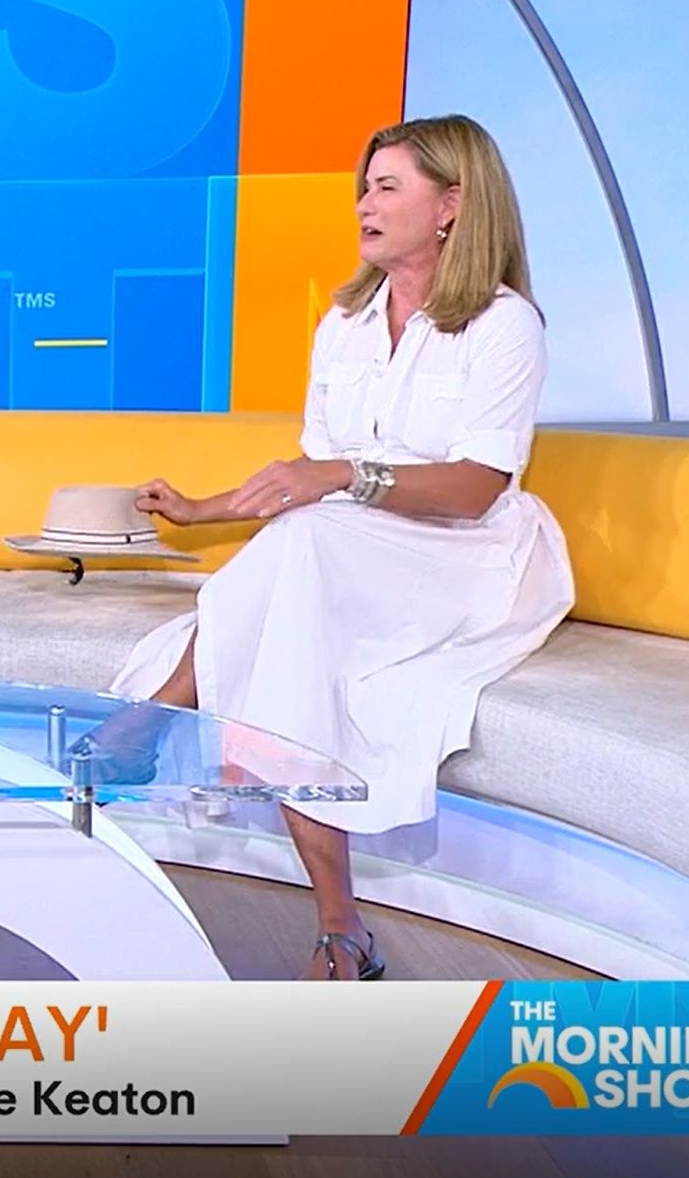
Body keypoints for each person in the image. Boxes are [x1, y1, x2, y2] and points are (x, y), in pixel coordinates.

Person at [109, 115, 574, 980]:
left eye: (387, 187)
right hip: (342, 545)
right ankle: (341, 925)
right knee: (303, 594)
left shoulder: (505, 326)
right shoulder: (346, 321)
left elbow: (475, 488)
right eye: (365, 188)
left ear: (452, 205)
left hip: (464, 556)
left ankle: (163, 707)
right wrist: (201, 510)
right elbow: (309, 482)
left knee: (308, 551)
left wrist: (344, 478)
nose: (365, 204)